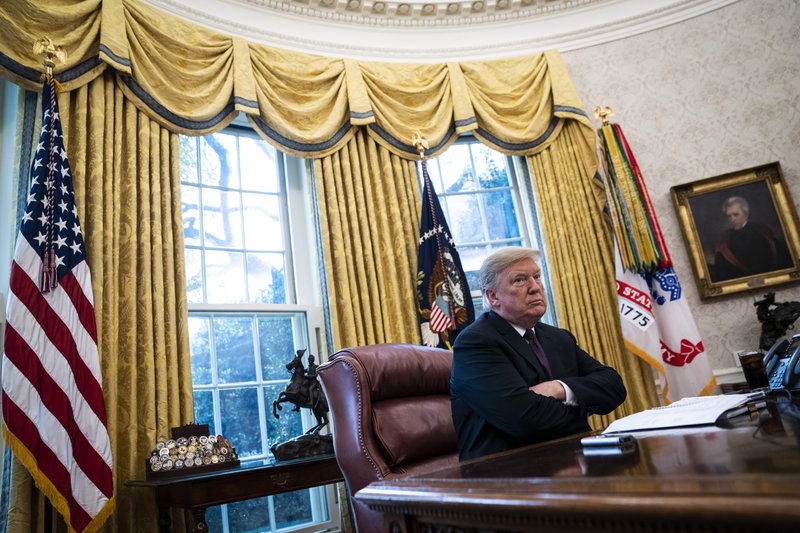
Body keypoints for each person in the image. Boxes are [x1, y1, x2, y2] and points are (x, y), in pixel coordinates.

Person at [450, 247, 627, 461]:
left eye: (536, 277)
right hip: (505, 473)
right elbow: (523, 418)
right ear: (493, 296)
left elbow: (614, 387)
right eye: (520, 280)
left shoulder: (559, 338)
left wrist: (558, 388)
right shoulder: (476, 342)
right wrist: (583, 404)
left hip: (569, 458)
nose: (535, 287)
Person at [712, 196, 792, 282]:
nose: (732, 219)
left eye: (736, 214)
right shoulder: (725, 237)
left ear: (746, 214)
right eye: (729, 216)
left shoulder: (760, 231)